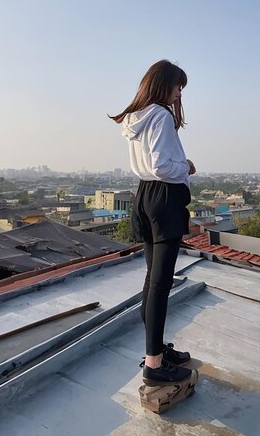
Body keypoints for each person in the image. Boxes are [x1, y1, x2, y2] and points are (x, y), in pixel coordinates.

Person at [110, 60, 196, 387]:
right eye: (177, 87)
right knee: (161, 282)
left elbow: (148, 166)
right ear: (163, 85)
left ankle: (156, 350)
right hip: (164, 197)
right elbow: (162, 166)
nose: (178, 94)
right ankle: (154, 364)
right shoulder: (159, 116)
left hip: (144, 197)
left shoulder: (137, 119)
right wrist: (186, 167)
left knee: (152, 279)